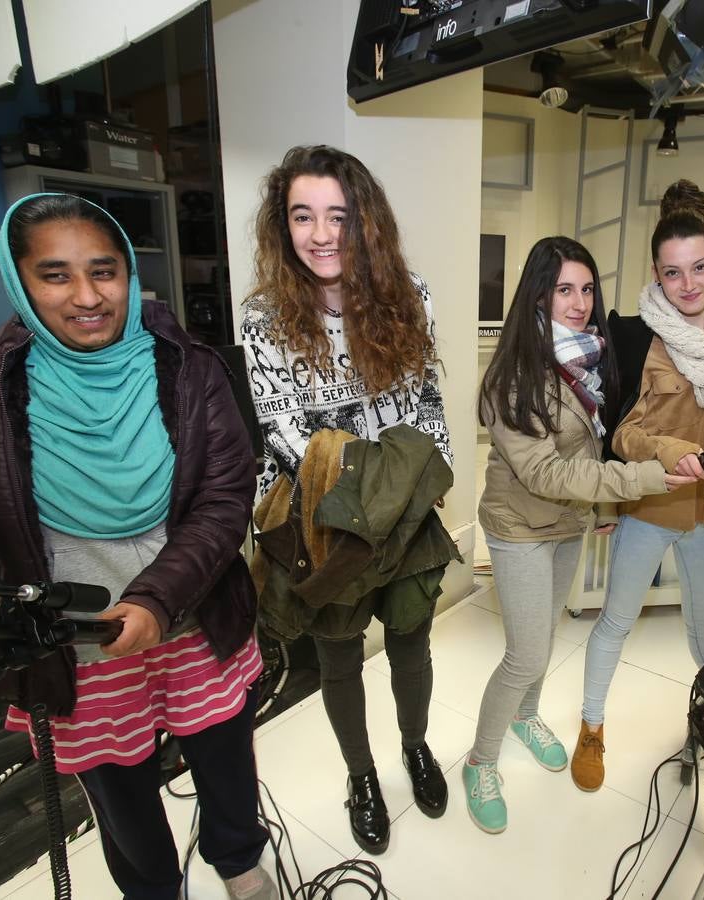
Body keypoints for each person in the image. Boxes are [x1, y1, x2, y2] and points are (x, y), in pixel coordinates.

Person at [0, 193, 276, 900]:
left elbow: (224, 499)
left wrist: (157, 600)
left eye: (104, 271)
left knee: (227, 766)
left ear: (129, 274)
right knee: (121, 801)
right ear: (19, 283)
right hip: (73, 647)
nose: (87, 296)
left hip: (195, 617)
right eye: (56, 275)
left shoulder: (190, 367)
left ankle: (239, 862)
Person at [240, 145, 452, 855]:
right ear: (284, 227)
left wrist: (429, 482)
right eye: (304, 216)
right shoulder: (264, 320)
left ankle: (415, 747)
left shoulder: (411, 295)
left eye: (338, 215)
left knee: (411, 640)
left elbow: (426, 403)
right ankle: (362, 777)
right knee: (337, 657)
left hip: (409, 511)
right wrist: (376, 494)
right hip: (328, 523)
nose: (322, 233)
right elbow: (286, 436)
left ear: (366, 222)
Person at [463, 236, 694, 833]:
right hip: (520, 527)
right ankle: (480, 761)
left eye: (587, 289)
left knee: (546, 630)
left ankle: (528, 716)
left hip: (566, 522)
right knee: (526, 651)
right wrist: (639, 479)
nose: (579, 302)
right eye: (564, 289)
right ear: (538, 294)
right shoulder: (512, 377)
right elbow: (543, 470)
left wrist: (596, 511)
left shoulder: (587, 358)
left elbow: (587, 444)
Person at [572, 180, 704, 792]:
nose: (688, 284)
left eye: (699, 268)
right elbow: (620, 432)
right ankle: (591, 726)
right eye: (673, 273)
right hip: (651, 508)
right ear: (656, 275)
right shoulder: (639, 336)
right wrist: (669, 451)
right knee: (615, 621)